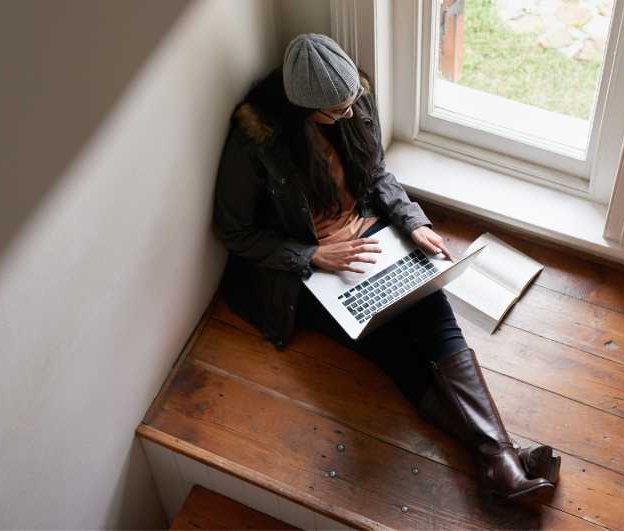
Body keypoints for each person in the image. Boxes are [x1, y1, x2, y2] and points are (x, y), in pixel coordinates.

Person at [212, 32, 559, 504]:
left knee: (432, 311)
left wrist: (412, 222)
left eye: (352, 102)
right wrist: (312, 256)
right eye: (337, 111)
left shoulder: (354, 100)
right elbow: (233, 232)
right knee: (392, 345)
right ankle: (505, 460)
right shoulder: (257, 143)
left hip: (370, 234)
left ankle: (499, 459)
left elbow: (375, 174)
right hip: (308, 267)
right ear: (303, 107)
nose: (350, 114)